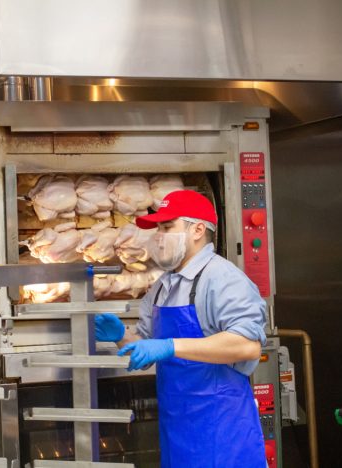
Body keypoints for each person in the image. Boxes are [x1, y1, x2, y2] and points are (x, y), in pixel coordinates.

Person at [95, 190, 267, 468]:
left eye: (167, 227)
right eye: (157, 229)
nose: (159, 237)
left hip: (221, 431)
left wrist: (172, 346)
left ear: (197, 229)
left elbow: (247, 345)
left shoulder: (222, 277)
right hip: (178, 426)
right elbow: (148, 346)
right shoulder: (164, 285)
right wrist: (122, 337)